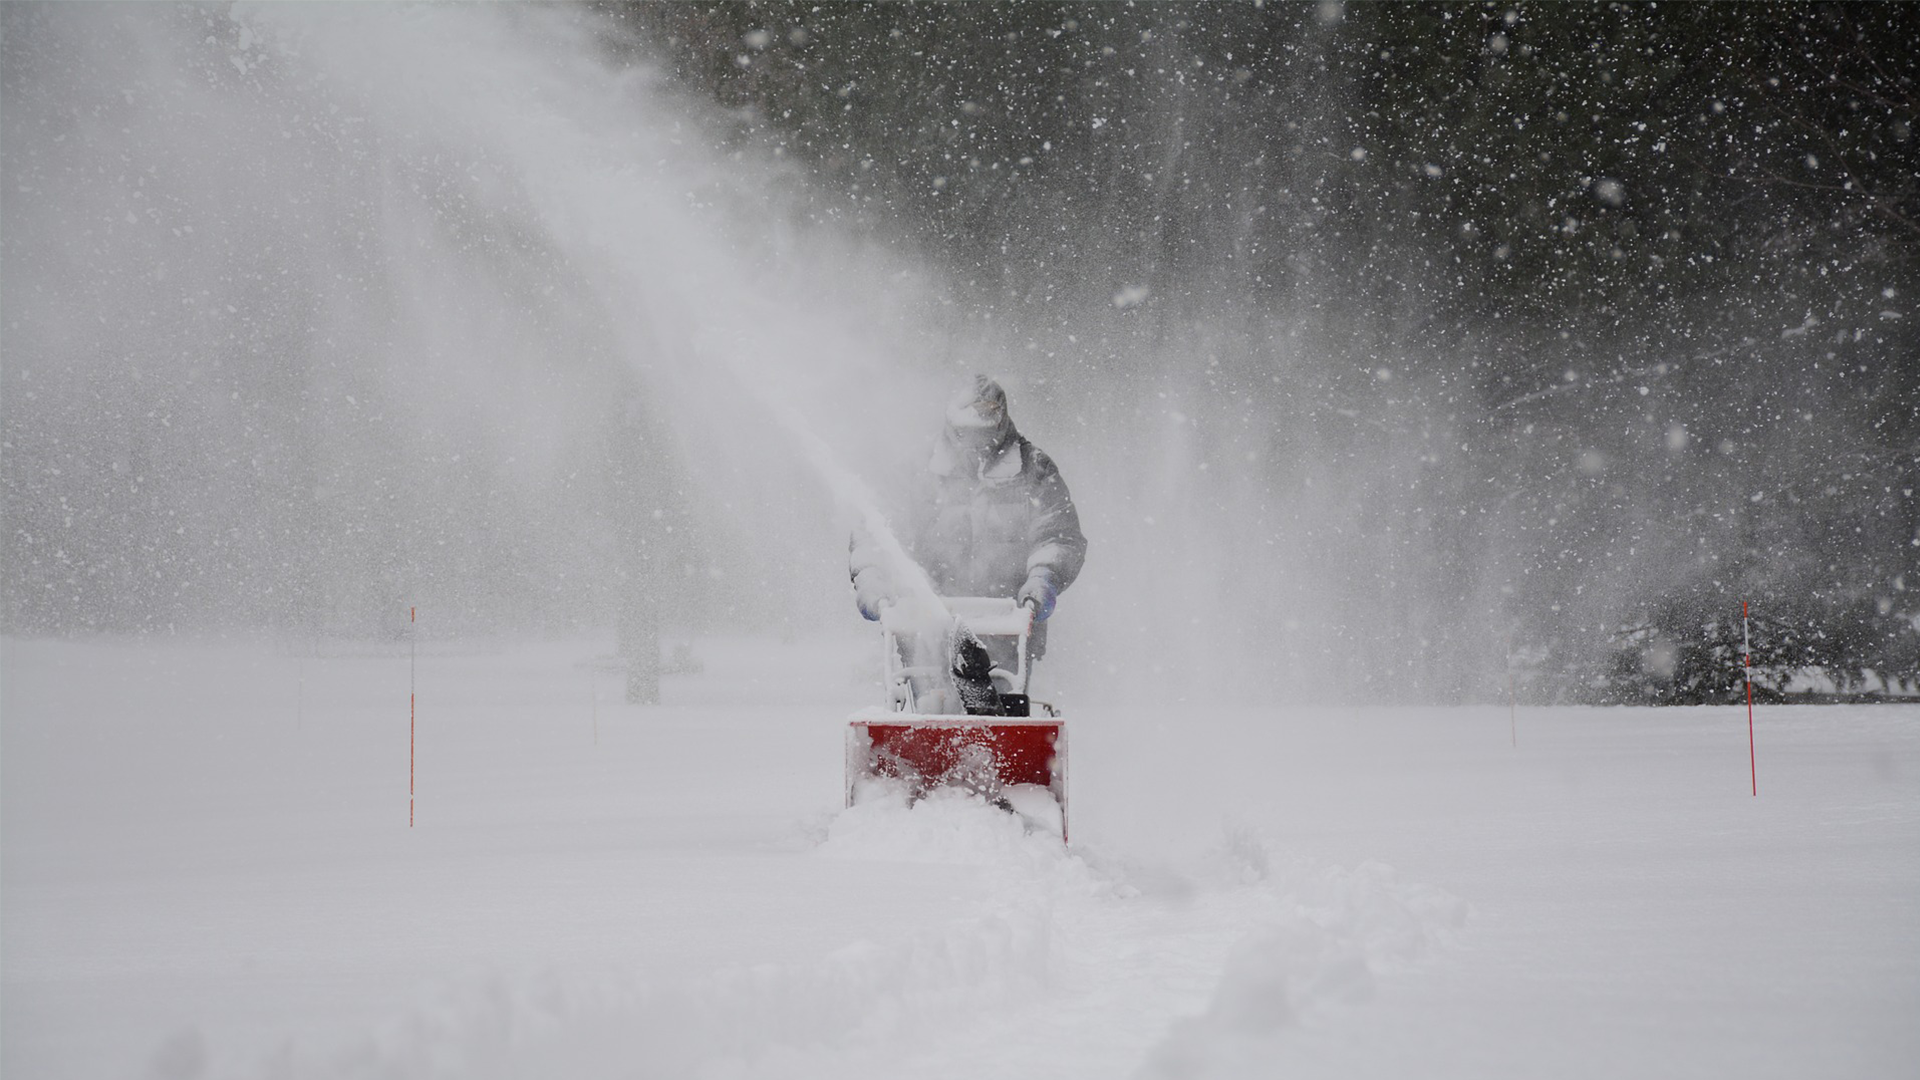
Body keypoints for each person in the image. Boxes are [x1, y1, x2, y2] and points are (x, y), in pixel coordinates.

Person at [850, 376, 1088, 709]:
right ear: (950, 426)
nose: (977, 445)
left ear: (1001, 426)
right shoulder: (916, 472)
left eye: (986, 434)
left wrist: (1042, 579)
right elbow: (878, 532)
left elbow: (1057, 533)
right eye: (966, 434)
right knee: (932, 710)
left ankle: (996, 755)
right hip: (924, 622)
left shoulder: (1034, 470)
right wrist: (873, 578)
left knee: (1000, 711)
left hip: (1008, 623)